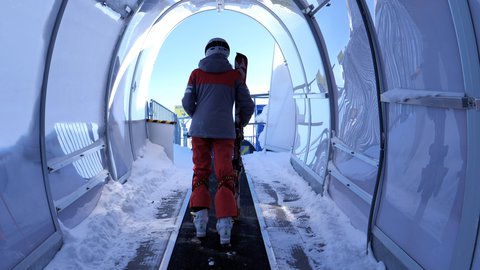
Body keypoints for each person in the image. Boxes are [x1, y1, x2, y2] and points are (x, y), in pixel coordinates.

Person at [182, 37, 254, 245]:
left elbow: (187, 102)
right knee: (224, 175)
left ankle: (201, 223)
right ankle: (224, 227)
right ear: (226, 54)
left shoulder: (196, 74)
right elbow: (247, 105)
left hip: (199, 130)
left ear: (207, 52)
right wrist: (240, 123)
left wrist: (198, 115)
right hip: (225, 131)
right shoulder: (234, 76)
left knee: (201, 173)